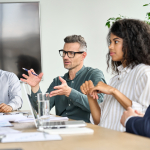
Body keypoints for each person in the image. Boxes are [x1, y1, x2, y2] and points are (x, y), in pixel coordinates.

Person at [80, 19, 150, 131]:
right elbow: (99, 120)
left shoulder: (144, 73)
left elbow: (144, 117)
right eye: (110, 42)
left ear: (132, 43)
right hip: (106, 141)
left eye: (116, 41)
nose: (110, 47)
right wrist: (90, 95)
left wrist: (113, 91)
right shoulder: (115, 79)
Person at [20, 35, 106, 122]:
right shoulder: (58, 81)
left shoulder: (94, 75)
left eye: (71, 53)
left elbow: (99, 106)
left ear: (83, 56)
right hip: (60, 128)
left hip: (85, 130)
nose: (65, 57)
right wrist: (35, 87)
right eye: (64, 52)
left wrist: (70, 92)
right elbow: (40, 111)